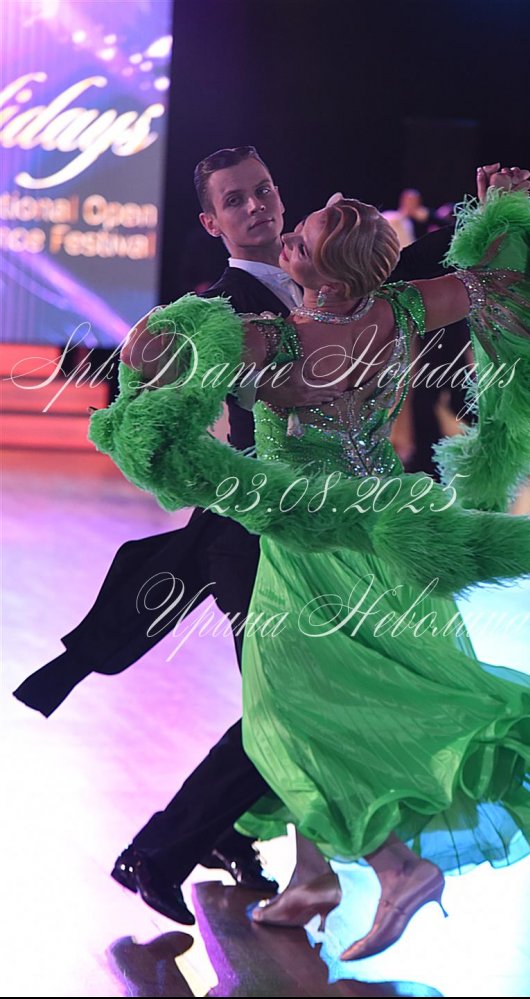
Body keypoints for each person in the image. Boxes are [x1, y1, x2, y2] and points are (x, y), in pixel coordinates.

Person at [109, 165, 530, 961]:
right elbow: (496, 279)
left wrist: (159, 334)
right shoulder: (404, 308)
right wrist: (502, 210)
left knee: (292, 718)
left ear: (321, 272)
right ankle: (313, 875)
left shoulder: (274, 341)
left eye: (302, 236)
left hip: (310, 544)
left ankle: (398, 868)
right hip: (392, 532)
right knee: (361, 695)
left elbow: (149, 355)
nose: (288, 233)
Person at [13, 146, 463, 926]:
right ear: (210, 221)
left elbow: (412, 277)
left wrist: (485, 217)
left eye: (263, 190)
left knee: (302, 697)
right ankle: (173, 852)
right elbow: (158, 382)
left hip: (335, 532)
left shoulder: (331, 275)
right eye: (235, 199)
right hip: (251, 534)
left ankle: (280, 857)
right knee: (291, 700)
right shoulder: (217, 309)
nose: (256, 206)